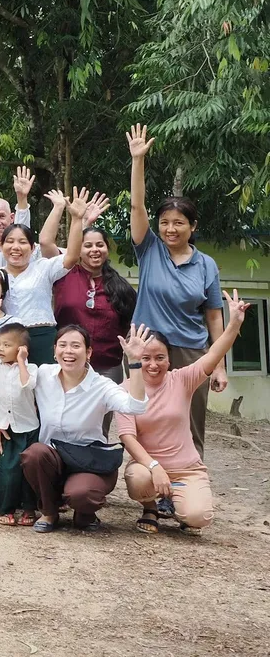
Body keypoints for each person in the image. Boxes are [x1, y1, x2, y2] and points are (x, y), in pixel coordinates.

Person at [128, 124, 225, 455]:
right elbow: (137, 207)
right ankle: (150, 495)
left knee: (190, 422)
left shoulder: (206, 265)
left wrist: (219, 364)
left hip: (190, 353)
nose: (170, 228)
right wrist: (138, 160)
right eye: (165, 222)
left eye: (179, 222)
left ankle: (190, 486)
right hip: (146, 348)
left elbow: (214, 317)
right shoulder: (149, 249)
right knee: (144, 417)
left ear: (192, 226)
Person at [118, 292, 249, 535]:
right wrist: (155, 466)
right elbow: (127, 437)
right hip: (148, 467)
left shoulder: (182, 380)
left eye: (160, 358)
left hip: (186, 469)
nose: (153, 365)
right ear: (137, 359)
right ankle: (150, 507)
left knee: (199, 518)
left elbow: (213, 354)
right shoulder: (125, 389)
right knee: (137, 477)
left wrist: (234, 324)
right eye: (146, 358)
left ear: (170, 360)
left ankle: (181, 504)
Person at [20, 325, 148, 532]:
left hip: (89, 461)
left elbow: (136, 406)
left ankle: (85, 513)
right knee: (33, 454)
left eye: (76, 346)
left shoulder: (102, 385)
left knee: (81, 494)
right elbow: (16, 389)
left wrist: (135, 362)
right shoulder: (44, 374)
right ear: (54, 350)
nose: (68, 351)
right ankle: (49, 512)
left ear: (88, 352)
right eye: (62, 345)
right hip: (53, 459)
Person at [0, 189, 87, 364]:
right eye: (9, 241)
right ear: (0, 246)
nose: (16, 247)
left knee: (46, 386)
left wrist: (77, 219)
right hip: (8, 339)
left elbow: (71, 256)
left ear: (32, 249)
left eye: (22, 242)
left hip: (42, 337)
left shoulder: (43, 267)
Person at [0, 307, 39, 527]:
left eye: (7, 345)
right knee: (8, 470)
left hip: (28, 427)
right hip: (5, 427)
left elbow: (26, 384)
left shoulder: (32, 368)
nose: (0, 349)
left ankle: (30, 509)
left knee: (29, 470)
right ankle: (6, 508)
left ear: (21, 348)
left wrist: (21, 361)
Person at [53, 225, 136, 385]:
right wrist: (78, 219)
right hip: (69, 364)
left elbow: (132, 324)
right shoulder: (64, 275)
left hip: (108, 369)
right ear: (79, 249)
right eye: (88, 245)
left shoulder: (121, 287)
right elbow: (45, 243)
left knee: (107, 410)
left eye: (100, 245)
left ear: (107, 247)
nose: (94, 250)